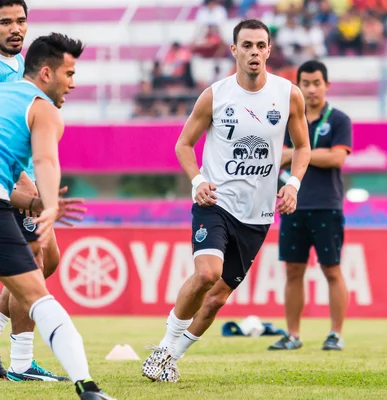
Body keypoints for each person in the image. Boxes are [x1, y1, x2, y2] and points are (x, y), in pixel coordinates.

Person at [141, 19, 311, 383]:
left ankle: (171, 356)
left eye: (260, 45)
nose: (253, 52)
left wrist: (293, 184)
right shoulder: (216, 95)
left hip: (257, 215)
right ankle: (162, 348)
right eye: (246, 45)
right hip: (214, 201)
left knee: (217, 299)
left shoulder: (288, 94)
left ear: (269, 50)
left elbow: (303, 146)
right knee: (207, 274)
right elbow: (183, 144)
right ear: (234, 50)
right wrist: (198, 180)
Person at [0, 32, 114, 399]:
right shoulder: (42, 108)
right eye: (70, 73)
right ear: (47, 73)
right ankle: (88, 388)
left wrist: (35, 206)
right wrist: (49, 207)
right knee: (38, 296)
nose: (74, 83)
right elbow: (46, 161)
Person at [0, 0, 84, 382]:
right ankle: (20, 363)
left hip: (19, 184)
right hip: (16, 183)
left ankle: (19, 362)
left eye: (20, 20)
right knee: (36, 265)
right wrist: (37, 194)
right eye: (5, 22)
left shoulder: (23, 69)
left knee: (41, 264)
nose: (15, 28)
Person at [268, 59, 352, 351]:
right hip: (291, 204)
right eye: (306, 83)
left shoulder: (339, 119)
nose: (312, 89)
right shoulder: (288, 119)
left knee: (332, 270)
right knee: (293, 271)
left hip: (327, 205)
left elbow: (337, 158)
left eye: (317, 83)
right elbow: (276, 157)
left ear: (326, 85)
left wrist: (296, 153)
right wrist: (299, 153)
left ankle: (335, 334)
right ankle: (293, 334)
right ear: (298, 86)